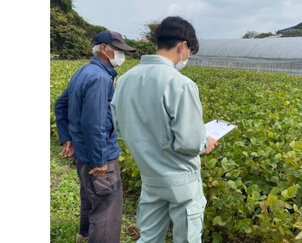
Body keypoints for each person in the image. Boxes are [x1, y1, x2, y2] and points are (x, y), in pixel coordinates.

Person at [111, 16, 218, 243]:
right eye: (190, 50)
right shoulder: (180, 84)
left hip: (150, 176)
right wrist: (204, 142)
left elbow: (117, 126)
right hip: (181, 179)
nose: (187, 56)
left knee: (148, 237)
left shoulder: (125, 80)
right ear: (182, 46)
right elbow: (189, 142)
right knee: (187, 238)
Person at [54, 30, 136, 243]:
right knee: (107, 210)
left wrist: (67, 138)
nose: (121, 55)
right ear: (104, 49)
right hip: (100, 155)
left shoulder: (84, 71)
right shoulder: (100, 78)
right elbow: (96, 123)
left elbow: (60, 104)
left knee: (90, 198)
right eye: (118, 50)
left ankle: (84, 234)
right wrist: (100, 159)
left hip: (82, 152)